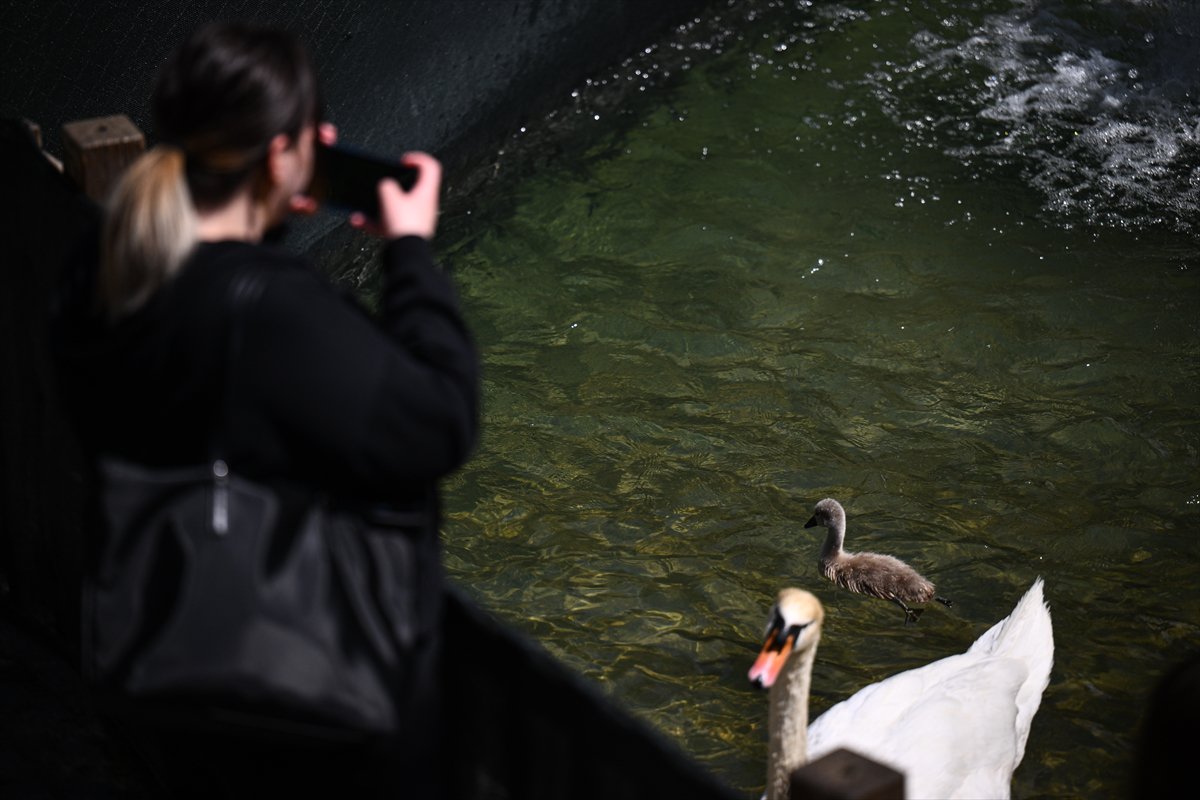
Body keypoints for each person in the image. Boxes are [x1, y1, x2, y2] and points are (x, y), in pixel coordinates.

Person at [51, 21, 479, 798]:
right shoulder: (273, 313)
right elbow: (441, 420)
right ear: (281, 153)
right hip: (302, 713)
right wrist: (409, 252)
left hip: (166, 667)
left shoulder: (100, 274)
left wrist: (271, 216)